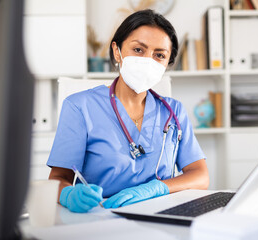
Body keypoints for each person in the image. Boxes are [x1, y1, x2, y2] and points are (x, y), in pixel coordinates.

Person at [47, 9, 209, 213]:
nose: (148, 60)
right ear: (117, 51)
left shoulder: (173, 111)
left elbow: (200, 175)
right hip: (100, 215)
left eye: (159, 55)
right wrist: (69, 195)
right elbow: (58, 179)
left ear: (167, 64)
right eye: (139, 50)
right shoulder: (80, 107)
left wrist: (158, 188)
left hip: (162, 216)